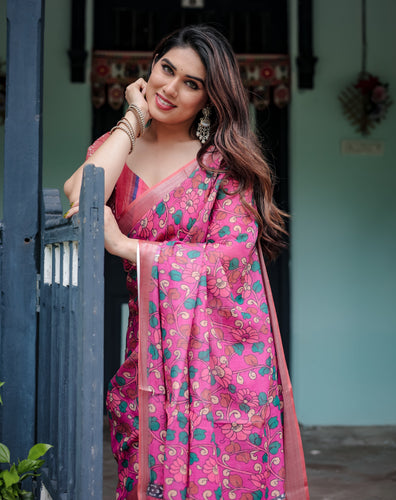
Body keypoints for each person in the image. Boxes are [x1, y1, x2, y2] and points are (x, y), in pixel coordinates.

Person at [64, 25, 309, 500]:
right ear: (151, 67)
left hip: (223, 365)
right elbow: (80, 193)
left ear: (208, 98)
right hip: (147, 350)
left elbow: (232, 261)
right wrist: (132, 121)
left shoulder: (224, 166)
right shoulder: (120, 146)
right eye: (166, 69)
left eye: (191, 83)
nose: (170, 89)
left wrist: (129, 248)